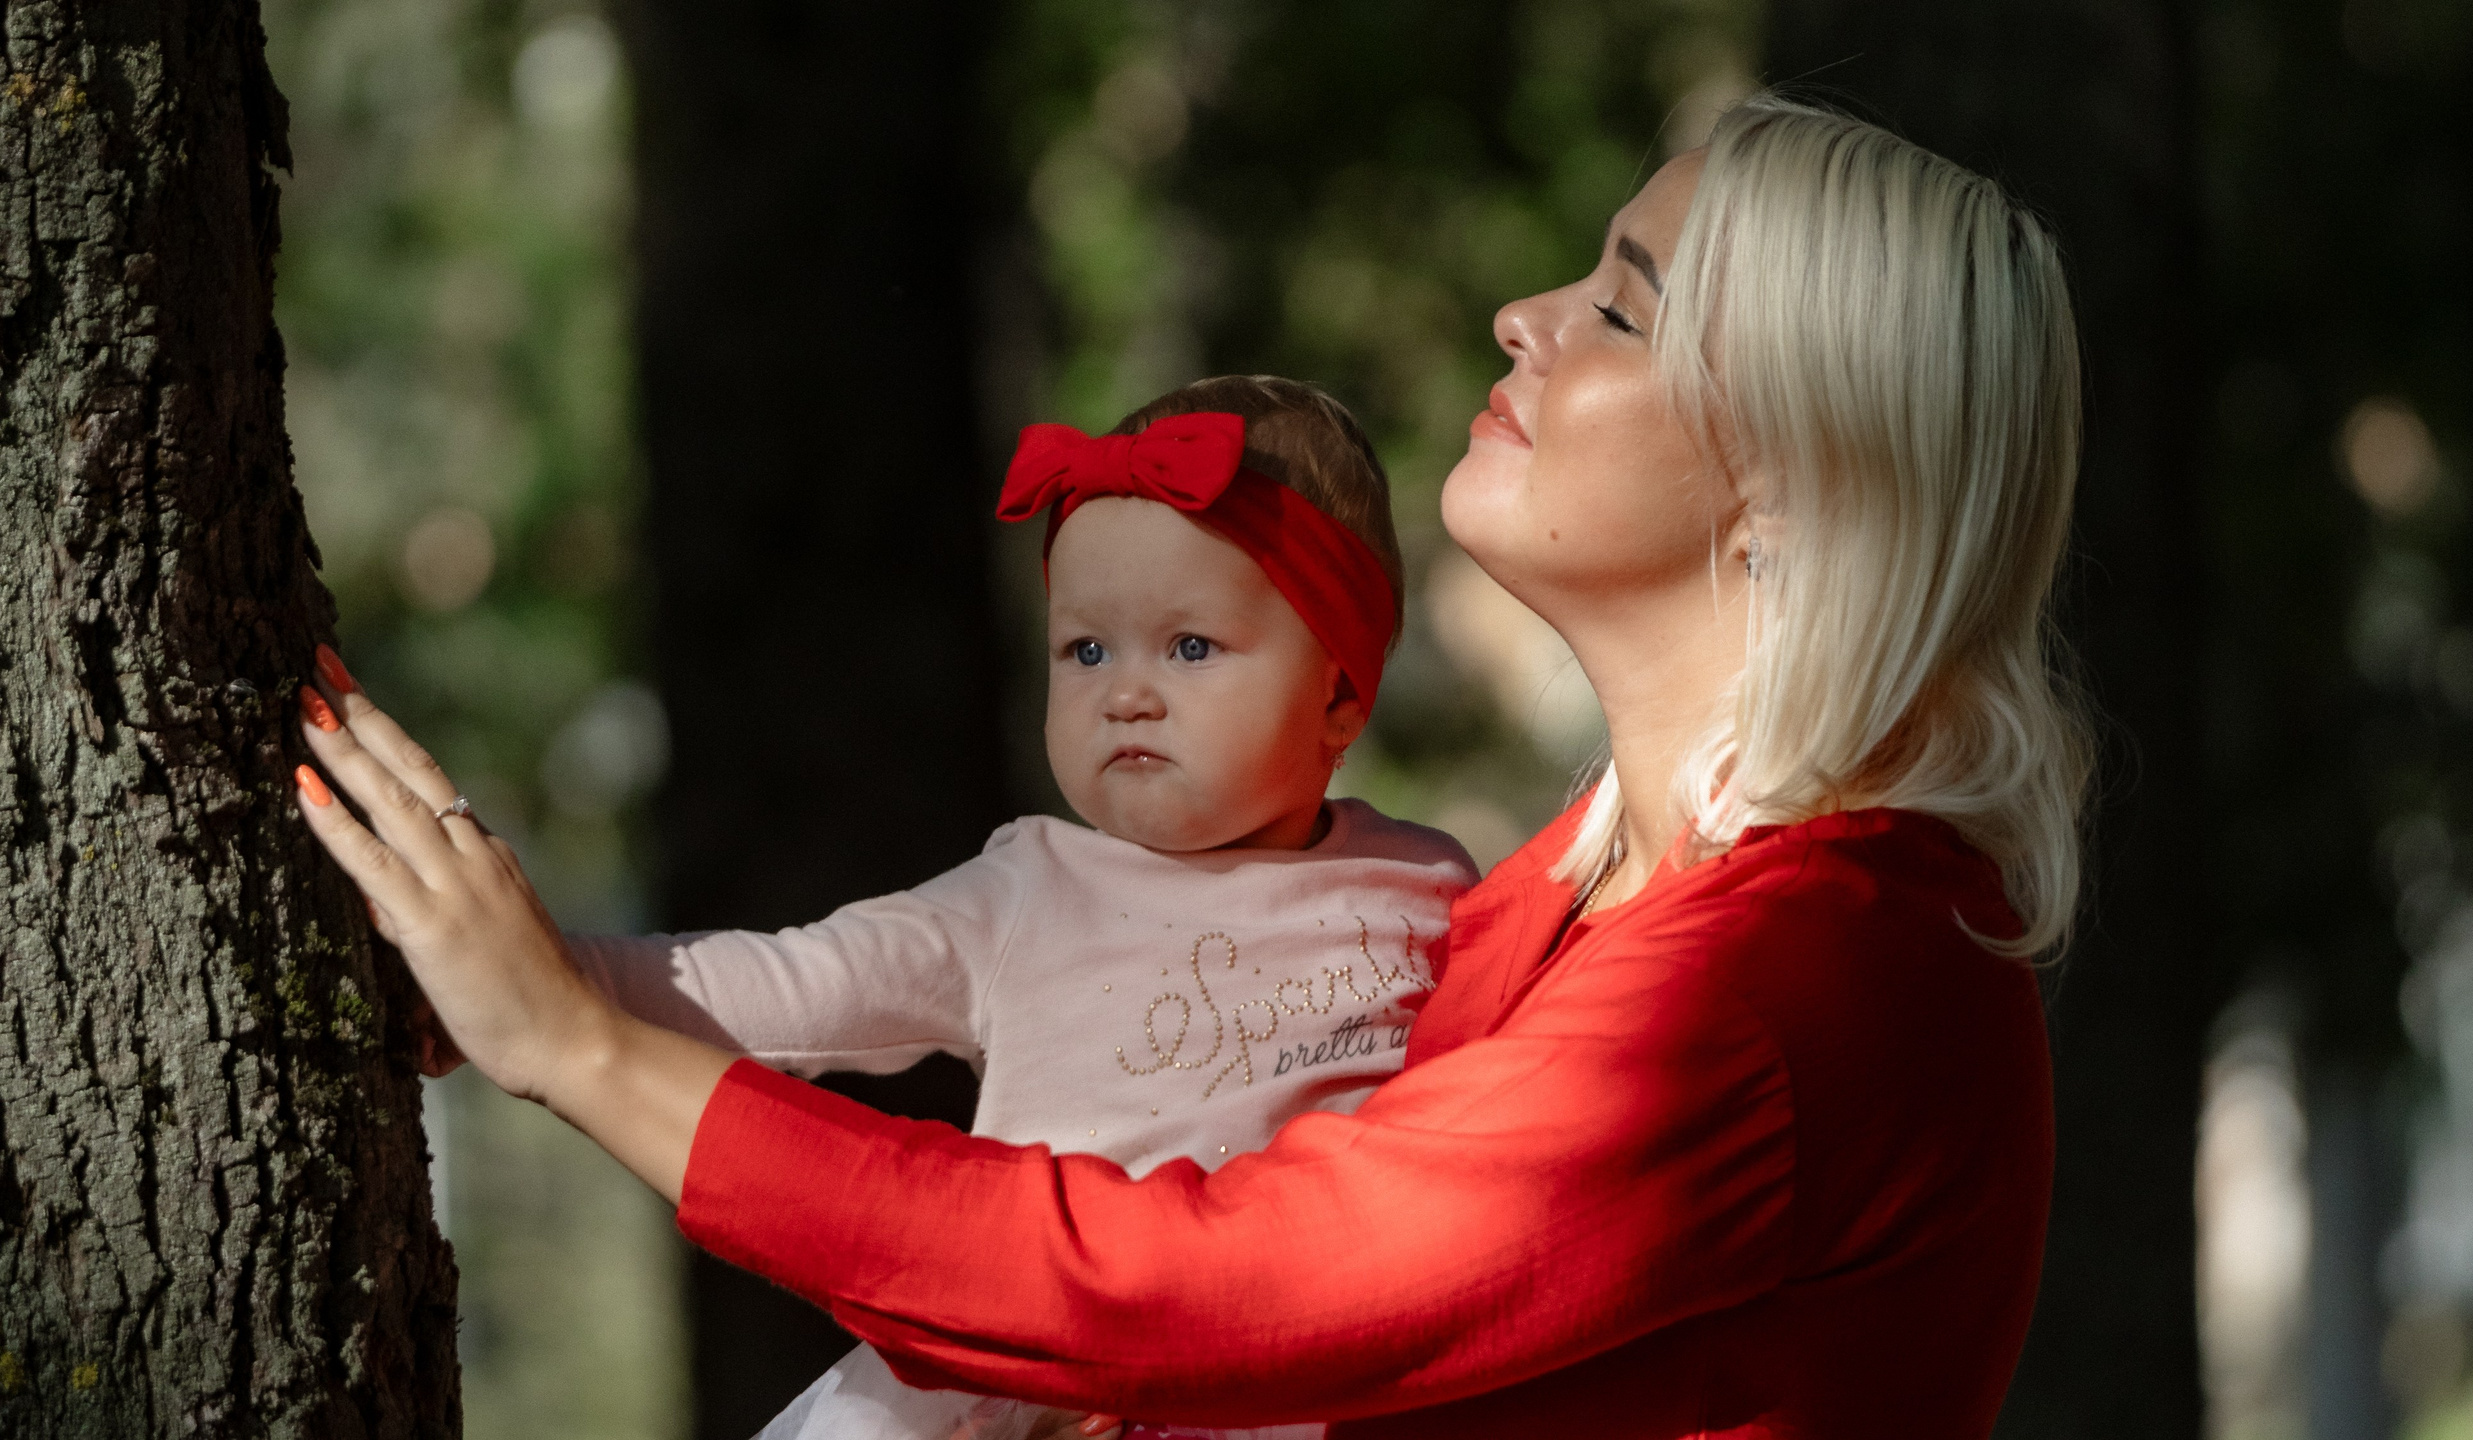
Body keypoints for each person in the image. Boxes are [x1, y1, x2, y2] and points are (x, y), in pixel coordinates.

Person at [295, 94, 2090, 1439]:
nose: (1523, 317)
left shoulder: (1808, 973)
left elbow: (1206, 1282)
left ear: (1793, 480)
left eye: (1621, 309)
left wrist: (580, 1044)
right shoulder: (1541, 899)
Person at [307, 377, 1478, 1440]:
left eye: (1188, 645)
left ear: (1337, 689)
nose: (1125, 693)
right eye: (1082, 650)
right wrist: (537, 982)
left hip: (1276, 1377)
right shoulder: (1029, 891)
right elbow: (785, 990)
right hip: (1008, 1364)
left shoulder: (1425, 890)